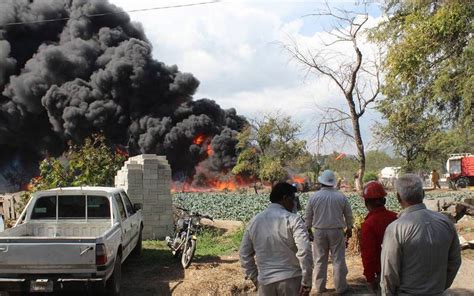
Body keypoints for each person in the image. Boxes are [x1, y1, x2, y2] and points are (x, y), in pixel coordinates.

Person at [380, 174, 462, 295]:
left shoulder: (396, 228)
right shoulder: (445, 222)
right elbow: (455, 262)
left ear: (398, 197)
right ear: (423, 194)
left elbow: (389, 273)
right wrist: (440, 287)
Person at [240, 182, 313, 296]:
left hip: (266, 283)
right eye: (293, 199)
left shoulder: (254, 222)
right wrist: (306, 281)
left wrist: (256, 279)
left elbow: (244, 254)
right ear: (285, 198)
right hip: (292, 281)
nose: (294, 203)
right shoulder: (293, 220)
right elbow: (304, 251)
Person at [305, 170, 353, 294]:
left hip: (319, 231)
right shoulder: (340, 196)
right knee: (338, 259)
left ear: (321, 182)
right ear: (332, 183)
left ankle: (320, 287)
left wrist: (308, 229)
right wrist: (349, 228)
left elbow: (308, 216)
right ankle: (341, 288)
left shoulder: (314, 197)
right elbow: (348, 214)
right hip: (337, 231)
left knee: (320, 259)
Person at [359, 181, 397, 293]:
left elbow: (368, 254)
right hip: (401, 269)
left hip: (382, 273)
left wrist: (370, 278)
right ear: (384, 201)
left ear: (366, 202)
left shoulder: (368, 225)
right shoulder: (396, 217)